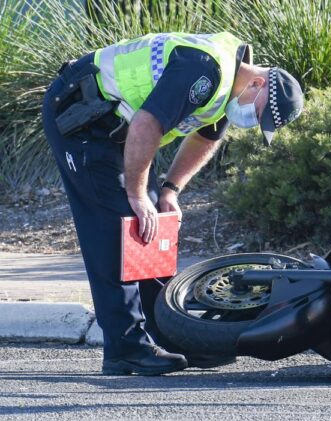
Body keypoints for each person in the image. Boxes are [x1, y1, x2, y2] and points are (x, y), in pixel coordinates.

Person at [41, 32, 304, 376]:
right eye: (258, 115)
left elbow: (205, 138)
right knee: (117, 229)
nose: (252, 123)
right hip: (82, 113)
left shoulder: (228, 86)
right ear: (257, 83)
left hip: (120, 129)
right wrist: (136, 195)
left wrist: (169, 190)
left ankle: (167, 335)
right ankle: (125, 348)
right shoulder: (207, 70)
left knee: (150, 229)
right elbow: (147, 123)